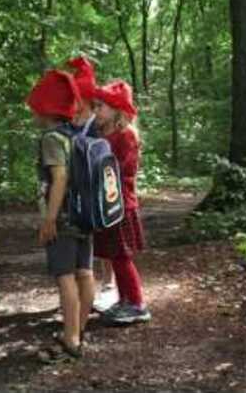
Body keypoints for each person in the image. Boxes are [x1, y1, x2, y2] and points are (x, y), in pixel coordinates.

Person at [27, 70, 95, 361]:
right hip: (85, 216)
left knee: (65, 276)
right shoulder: (77, 134)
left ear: (46, 109)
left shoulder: (52, 139)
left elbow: (60, 177)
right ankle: (78, 330)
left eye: (35, 107)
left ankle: (70, 341)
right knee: (85, 272)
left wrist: (50, 219)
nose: (32, 113)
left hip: (64, 218)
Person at [90, 80, 151, 325]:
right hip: (108, 205)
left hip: (120, 206)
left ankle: (137, 304)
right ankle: (125, 299)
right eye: (95, 106)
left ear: (116, 110)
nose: (96, 111)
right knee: (115, 256)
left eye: (100, 107)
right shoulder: (107, 135)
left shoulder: (125, 136)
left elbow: (117, 168)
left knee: (122, 256)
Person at [66, 56, 119, 313]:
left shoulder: (96, 126)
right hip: (76, 188)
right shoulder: (71, 123)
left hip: (97, 188)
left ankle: (109, 283)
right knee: (85, 237)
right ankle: (82, 289)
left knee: (104, 235)